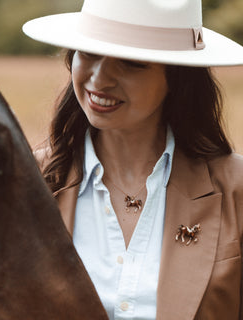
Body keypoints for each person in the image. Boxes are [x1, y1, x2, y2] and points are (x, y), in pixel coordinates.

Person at [23, 0, 243, 319]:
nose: (100, 79)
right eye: (89, 53)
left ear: (177, 78)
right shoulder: (27, 182)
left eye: (130, 62)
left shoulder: (235, 191)